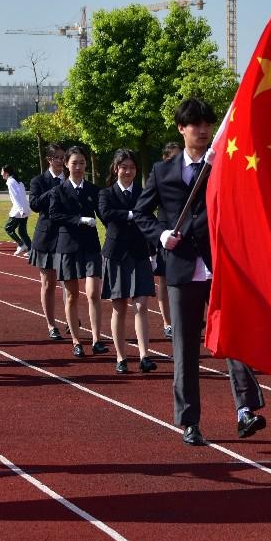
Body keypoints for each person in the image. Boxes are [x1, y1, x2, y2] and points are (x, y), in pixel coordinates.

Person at [134, 98, 266, 446]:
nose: (203, 130)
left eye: (208, 124)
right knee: (185, 348)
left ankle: (246, 410)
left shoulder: (226, 164)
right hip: (180, 272)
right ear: (182, 128)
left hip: (220, 267)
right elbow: (142, 214)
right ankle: (189, 420)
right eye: (196, 124)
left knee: (232, 338)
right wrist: (162, 234)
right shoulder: (163, 172)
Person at [98, 149, 158, 374]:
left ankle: (144, 355)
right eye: (124, 167)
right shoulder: (107, 194)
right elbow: (106, 213)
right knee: (119, 307)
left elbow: (149, 220)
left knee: (141, 305)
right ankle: (121, 357)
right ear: (116, 169)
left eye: (132, 168)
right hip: (116, 255)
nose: (128, 171)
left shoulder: (143, 193)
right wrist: (131, 214)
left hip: (139, 253)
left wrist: (152, 253)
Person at [47, 146, 108, 358]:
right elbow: (54, 215)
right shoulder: (58, 190)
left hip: (90, 246)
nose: (79, 167)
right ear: (66, 164)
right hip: (68, 247)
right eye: (74, 163)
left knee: (93, 293)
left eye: (82, 163)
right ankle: (76, 340)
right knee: (72, 295)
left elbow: (105, 215)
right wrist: (78, 220)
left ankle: (97, 339)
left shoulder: (93, 190)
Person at [28, 143, 68, 340]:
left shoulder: (71, 179)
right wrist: (54, 191)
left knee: (68, 282)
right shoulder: (39, 181)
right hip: (45, 238)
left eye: (63, 157)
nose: (61, 161)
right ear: (49, 160)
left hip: (68, 236)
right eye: (58, 157)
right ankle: (51, 324)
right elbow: (34, 204)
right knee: (48, 283)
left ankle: (71, 317)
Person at [155, 141, 180, 339]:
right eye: (172, 157)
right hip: (165, 234)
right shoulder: (159, 177)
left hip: (185, 235)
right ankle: (167, 321)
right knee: (164, 280)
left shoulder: (188, 176)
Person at [1, 164, 32, 256]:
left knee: (8, 228)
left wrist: (21, 209)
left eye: (2, 172)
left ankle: (21, 244)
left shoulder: (10, 182)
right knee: (22, 231)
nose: (1, 174)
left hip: (19, 209)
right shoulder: (18, 181)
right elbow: (21, 195)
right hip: (24, 207)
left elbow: (17, 197)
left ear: (6, 172)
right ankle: (30, 249)